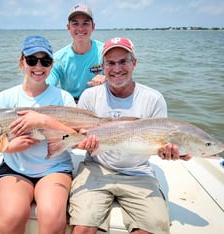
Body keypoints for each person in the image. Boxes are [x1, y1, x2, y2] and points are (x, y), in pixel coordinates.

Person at [69, 37, 192, 234]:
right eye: (110, 63)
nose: (117, 68)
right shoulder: (89, 96)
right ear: (103, 67)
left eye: (123, 61)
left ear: (134, 63)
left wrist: (171, 152)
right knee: (82, 229)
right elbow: (77, 135)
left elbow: (160, 142)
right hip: (96, 168)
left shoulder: (153, 99)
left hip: (138, 172)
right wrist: (81, 141)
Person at [0, 35, 77, 234]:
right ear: (22, 62)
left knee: (52, 219)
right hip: (16, 168)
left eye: (45, 61)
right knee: (9, 220)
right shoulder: (5, 98)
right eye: (32, 60)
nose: (38, 66)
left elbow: (75, 138)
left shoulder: (63, 97)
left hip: (55, 167)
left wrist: (43, 121)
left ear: (51, 64)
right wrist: (7, 147)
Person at [46, 3, 105, 102]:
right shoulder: (57, 58)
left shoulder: (105, 51)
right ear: (68, 27)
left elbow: (122, 78)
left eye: (85, 23)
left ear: (93, 27)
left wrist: (108, 79)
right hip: (71, 104)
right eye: (75, 23)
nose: (80, 28)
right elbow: (46, 88)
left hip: (100, 101)